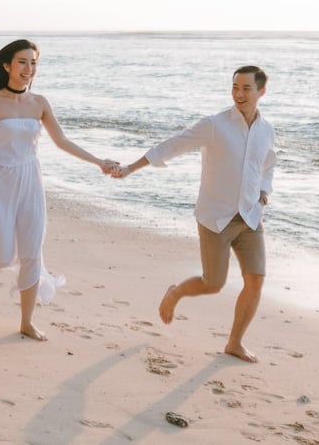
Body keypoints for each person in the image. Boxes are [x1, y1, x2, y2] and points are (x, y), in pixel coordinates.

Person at [112, 66, 276, 362]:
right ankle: (175, 292)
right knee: (214, 283)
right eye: (235, 87)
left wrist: (264, 191)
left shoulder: (267, 130)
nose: (239, 94)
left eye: (246, 89)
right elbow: (174, 144)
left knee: (256, 280)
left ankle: (234, 343)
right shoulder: (215, 125)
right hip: (216, 217)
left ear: (261, 92)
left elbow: (268, 163)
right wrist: (130, 168)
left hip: (250, 217)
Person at [0, 39, 117, 341]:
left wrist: (98, 161)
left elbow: (63, 141)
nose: (29, 69)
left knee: (32, 253)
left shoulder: (39, 103)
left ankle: (26, 322)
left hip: (30, 181)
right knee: (3, 253)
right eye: (22, 62)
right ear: (7, 65)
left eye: (33, 63)